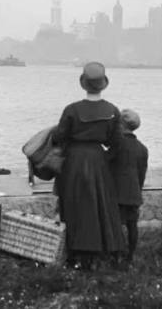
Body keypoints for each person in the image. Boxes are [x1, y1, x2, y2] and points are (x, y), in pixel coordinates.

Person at [52, 62, 125, 269]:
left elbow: (59, 136)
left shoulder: (72, 109)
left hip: (74, 160)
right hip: (97, 159)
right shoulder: (112, 110)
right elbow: (117, 142)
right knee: (100, 206)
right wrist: (104, 159)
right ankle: (102, 251)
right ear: (103, 85)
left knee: (74, 205)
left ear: (83, 83)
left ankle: (75, 252)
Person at [108, 109, 148, 263]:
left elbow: (106, 162)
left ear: (121, 124)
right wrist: (138, 190)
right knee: (132, 225)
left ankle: (115, 255)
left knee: (115, 225)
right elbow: (141, 174)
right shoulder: (142, 148)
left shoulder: (118, 144)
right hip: (134, 193)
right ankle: (130, 256)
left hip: (117, 193)